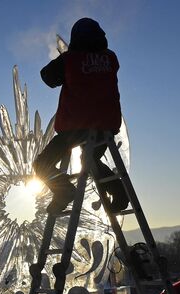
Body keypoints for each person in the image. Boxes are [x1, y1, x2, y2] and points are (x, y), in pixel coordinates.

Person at [34, 17, 129, 214]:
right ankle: (119, 193)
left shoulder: (70, 59)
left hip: (75, 127)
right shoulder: (111, 58)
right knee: (90, 161)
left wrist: (66, 58)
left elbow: (48, 77)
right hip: (106, 126)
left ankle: (64, 191)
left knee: (41, 164)